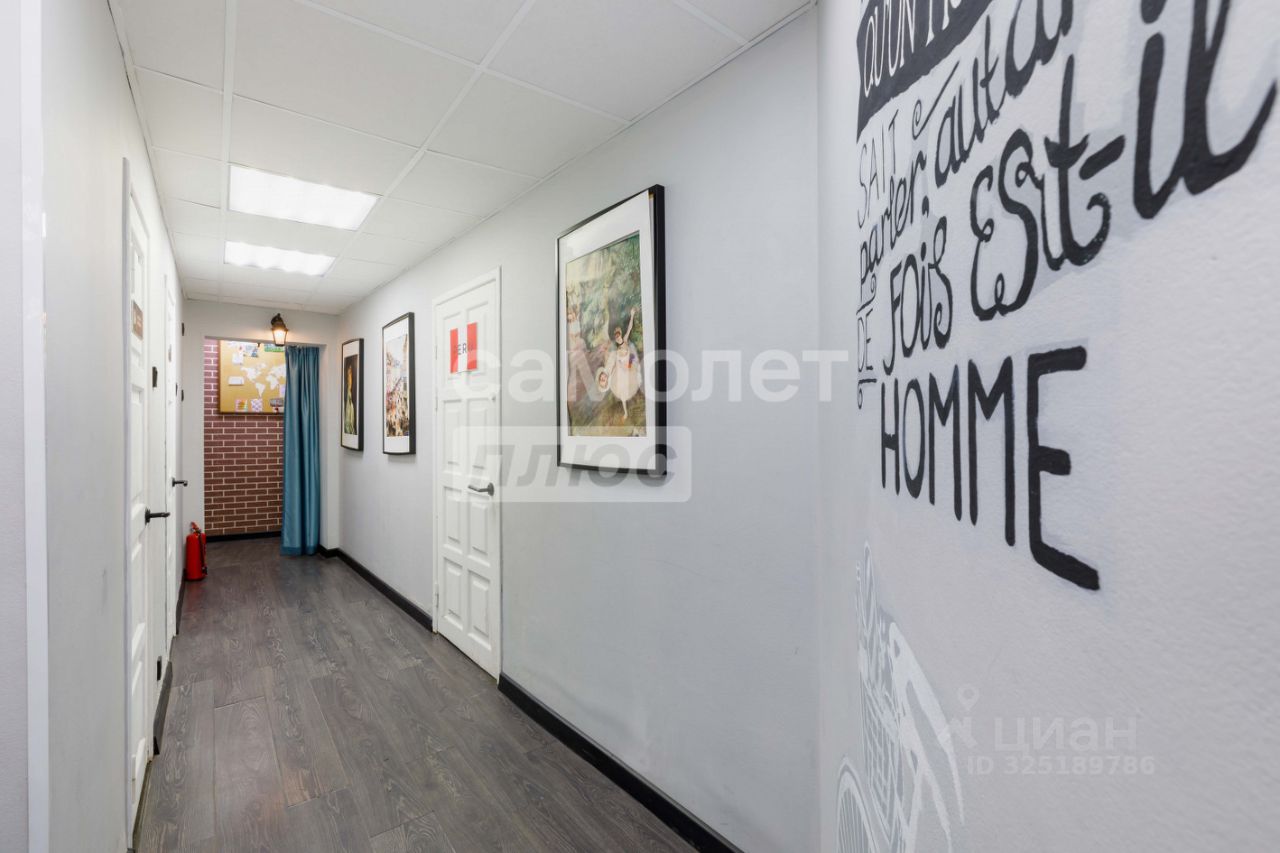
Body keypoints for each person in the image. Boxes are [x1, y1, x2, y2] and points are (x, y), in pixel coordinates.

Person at [604, 305, 642, 419]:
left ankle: (636, 399)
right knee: (623, 392)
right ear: (615, 339)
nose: (618, 337)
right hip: (622, 372)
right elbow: (615, 364)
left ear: (620, 334)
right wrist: (610, 373)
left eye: (618, 335)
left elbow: (629, 328)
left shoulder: (625, 340)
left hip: (629, 367)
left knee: (634, 381)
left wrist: (632, 315)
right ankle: (626, 412)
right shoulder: (617, 351)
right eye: (616, 336)